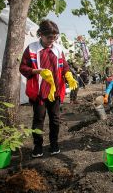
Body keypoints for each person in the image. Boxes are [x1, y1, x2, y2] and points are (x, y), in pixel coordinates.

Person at [19, 20, 78, 158]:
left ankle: (54, 144)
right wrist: (37, 71)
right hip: (39, 92)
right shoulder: (31, 49)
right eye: (48, 37)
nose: (51, 40)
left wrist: (68, 75)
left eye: (54, 37)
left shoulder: (58, 49)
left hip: (55, 91)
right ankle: (38, 146)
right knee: (39, 119)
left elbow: (64, 66)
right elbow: (23, 67)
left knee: (55, 119)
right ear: (40, 34)